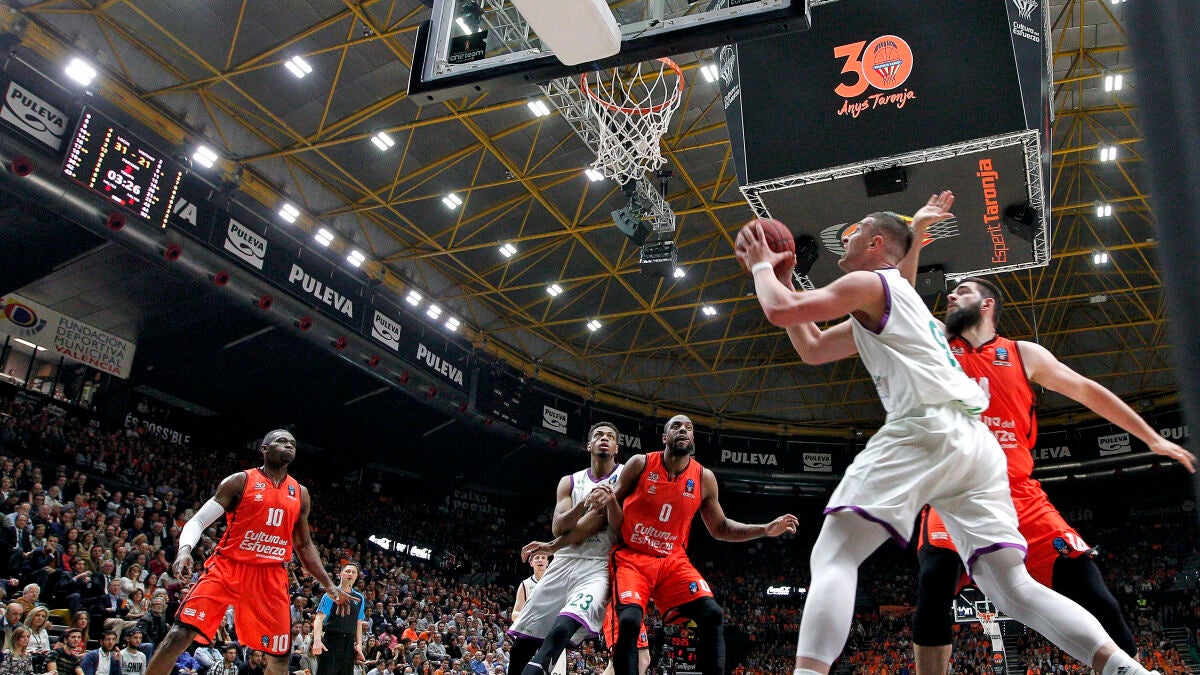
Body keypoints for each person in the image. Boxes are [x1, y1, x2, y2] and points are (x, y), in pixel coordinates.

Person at [734, 197, 1165, 675]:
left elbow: (781, 311)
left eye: (854, 232)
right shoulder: (899, 302)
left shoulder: (870, 284)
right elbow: (813, 347)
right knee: (1012, 588)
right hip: (976, 447)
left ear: (876, 243)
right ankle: (1125, 668)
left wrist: (761, 266)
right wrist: (785, 277)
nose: (844, 238)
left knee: (835, 553)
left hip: (927, 426)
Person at [907, 271, 1196, 675]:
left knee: (1094, 594)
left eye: (963, 292)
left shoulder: (1023, 354)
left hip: (1020, 494)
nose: (951, 297)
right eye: (951, 293)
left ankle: (1131, 669)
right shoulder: (937, 343)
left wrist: (1151, 438)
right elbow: (894, 301)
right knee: (935, 581)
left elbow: (1087, 390)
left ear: (987, 305)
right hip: (957, 492)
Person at [530, 415, 799, 675]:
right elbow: (601, 515)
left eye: (688, 428)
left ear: (693, 439)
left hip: (672, 560)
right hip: (633, 557)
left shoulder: (704, 478)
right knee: (629, 621)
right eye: (676, 426)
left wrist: (765, 529)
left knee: (713, 614)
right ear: (664, 437)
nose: (682, 430)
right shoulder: (641, 463)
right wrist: (555, 545)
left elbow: (721, 528)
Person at [143, 430, 344, 675]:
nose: (289, 445)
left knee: (280, 658)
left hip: (270, 575)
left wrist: (328, 584)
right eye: (281, 441)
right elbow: (198, 521)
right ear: (264, 448)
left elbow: (304, 546)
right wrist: (185, 550)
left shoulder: (300, 493)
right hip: (228, 566)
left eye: (292, 443)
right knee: (179, 633)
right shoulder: (239, 481)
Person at [505, 422, 627, 675]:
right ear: (589, 445)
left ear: (617, 447)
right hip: (564, 561)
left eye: (610, 436)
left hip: (598, 565)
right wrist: (583, 502)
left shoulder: (625, 475)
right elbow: (559, 526)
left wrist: (552, 545)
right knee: (522, 646)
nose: (604, 439)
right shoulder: (569, 482)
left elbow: (594, 523)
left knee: (562, 628)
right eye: (598, 435)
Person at [311, 563, 366, 675]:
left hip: (349, 644)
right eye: (347, 571)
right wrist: (317, 640)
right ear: (341, 574)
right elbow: (319, 619)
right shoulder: (331, 594)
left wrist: (359, 645)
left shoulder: (359, 597)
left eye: (353, 572)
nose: (350, 574)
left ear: (356, 576)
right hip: (332, 641)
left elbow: (358, 622)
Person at [509, 554, 547, 627]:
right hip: (531, 627)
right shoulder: (525, 584)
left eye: (543, 557)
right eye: (537, 558)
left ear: (547, 562)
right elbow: (514, 615)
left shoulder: (555, 582)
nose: (540, 560)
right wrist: (531, 617)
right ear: (531, 563)